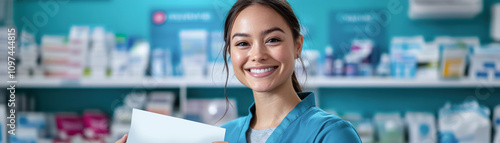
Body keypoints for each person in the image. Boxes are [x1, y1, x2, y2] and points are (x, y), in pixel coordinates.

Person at [116, 0, 361, 143]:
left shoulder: (331, 134)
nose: (257, 55)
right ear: (230, 53)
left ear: (297, 45)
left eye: (273, 39)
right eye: (243, 43)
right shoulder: (227, 134)